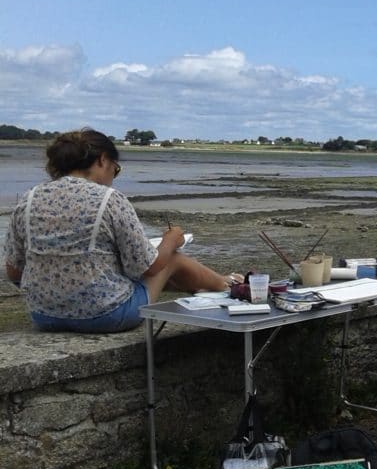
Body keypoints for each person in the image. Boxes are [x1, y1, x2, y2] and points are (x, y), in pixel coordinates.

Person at [3, 128, 241, 333]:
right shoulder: (109, 199)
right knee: (172, 261)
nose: (112, 178)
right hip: (106, 315)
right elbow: (150, 267)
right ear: (103, 160)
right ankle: (226, 285)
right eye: (115, 170)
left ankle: (211, 286)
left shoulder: (29, 198)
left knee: (122, 268)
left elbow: (14, 271)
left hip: (44, 316)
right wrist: (171, 241)